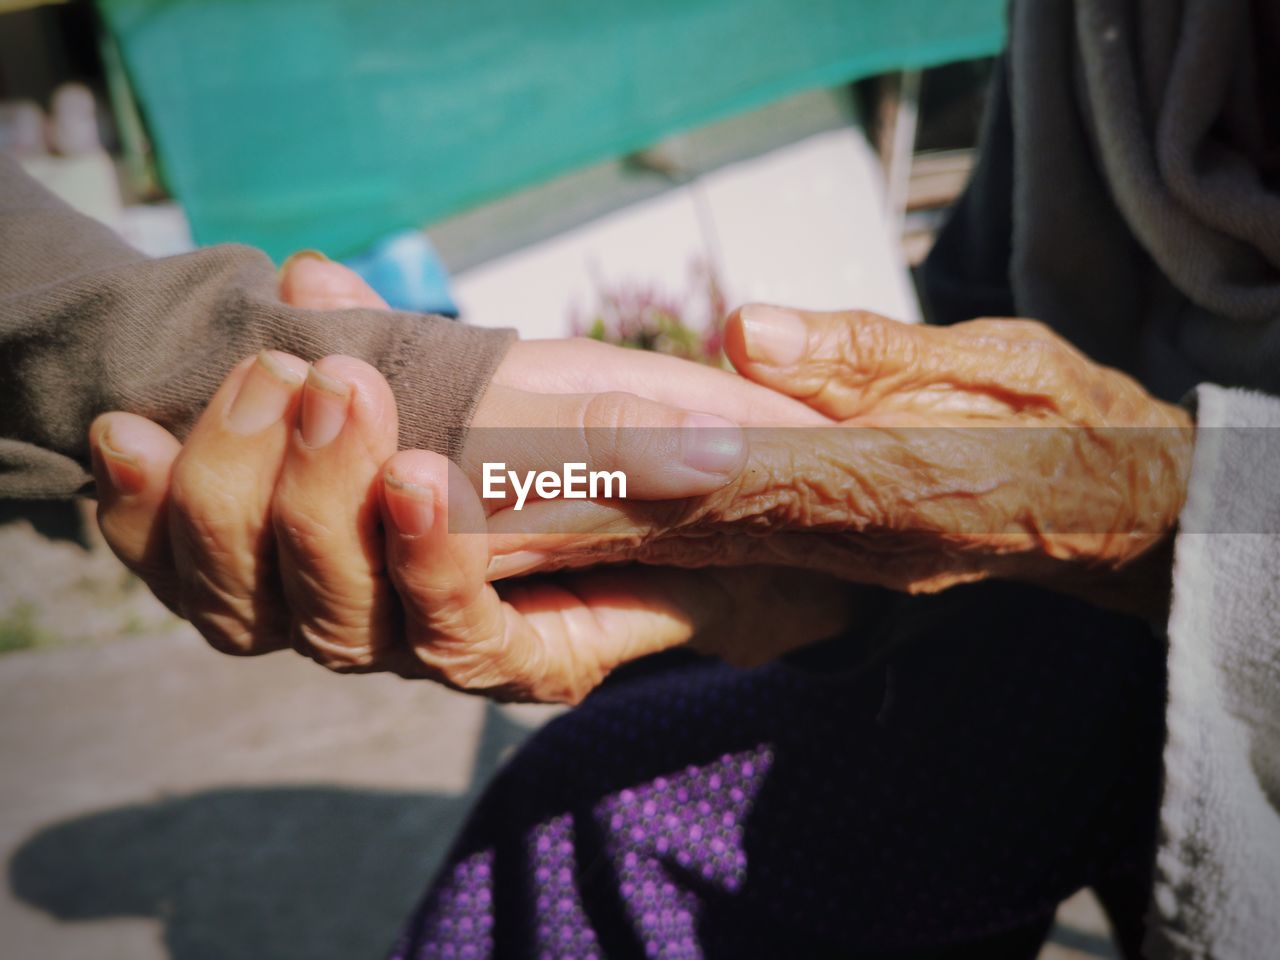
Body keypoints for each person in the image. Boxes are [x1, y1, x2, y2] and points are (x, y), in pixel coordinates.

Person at [15, 0, 1280, 953]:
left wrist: (1138, 507)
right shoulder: (1098, 36)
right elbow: (991, 289)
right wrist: (829, 561)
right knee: (598, 788)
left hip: (1204, 576)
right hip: (1030, 589)